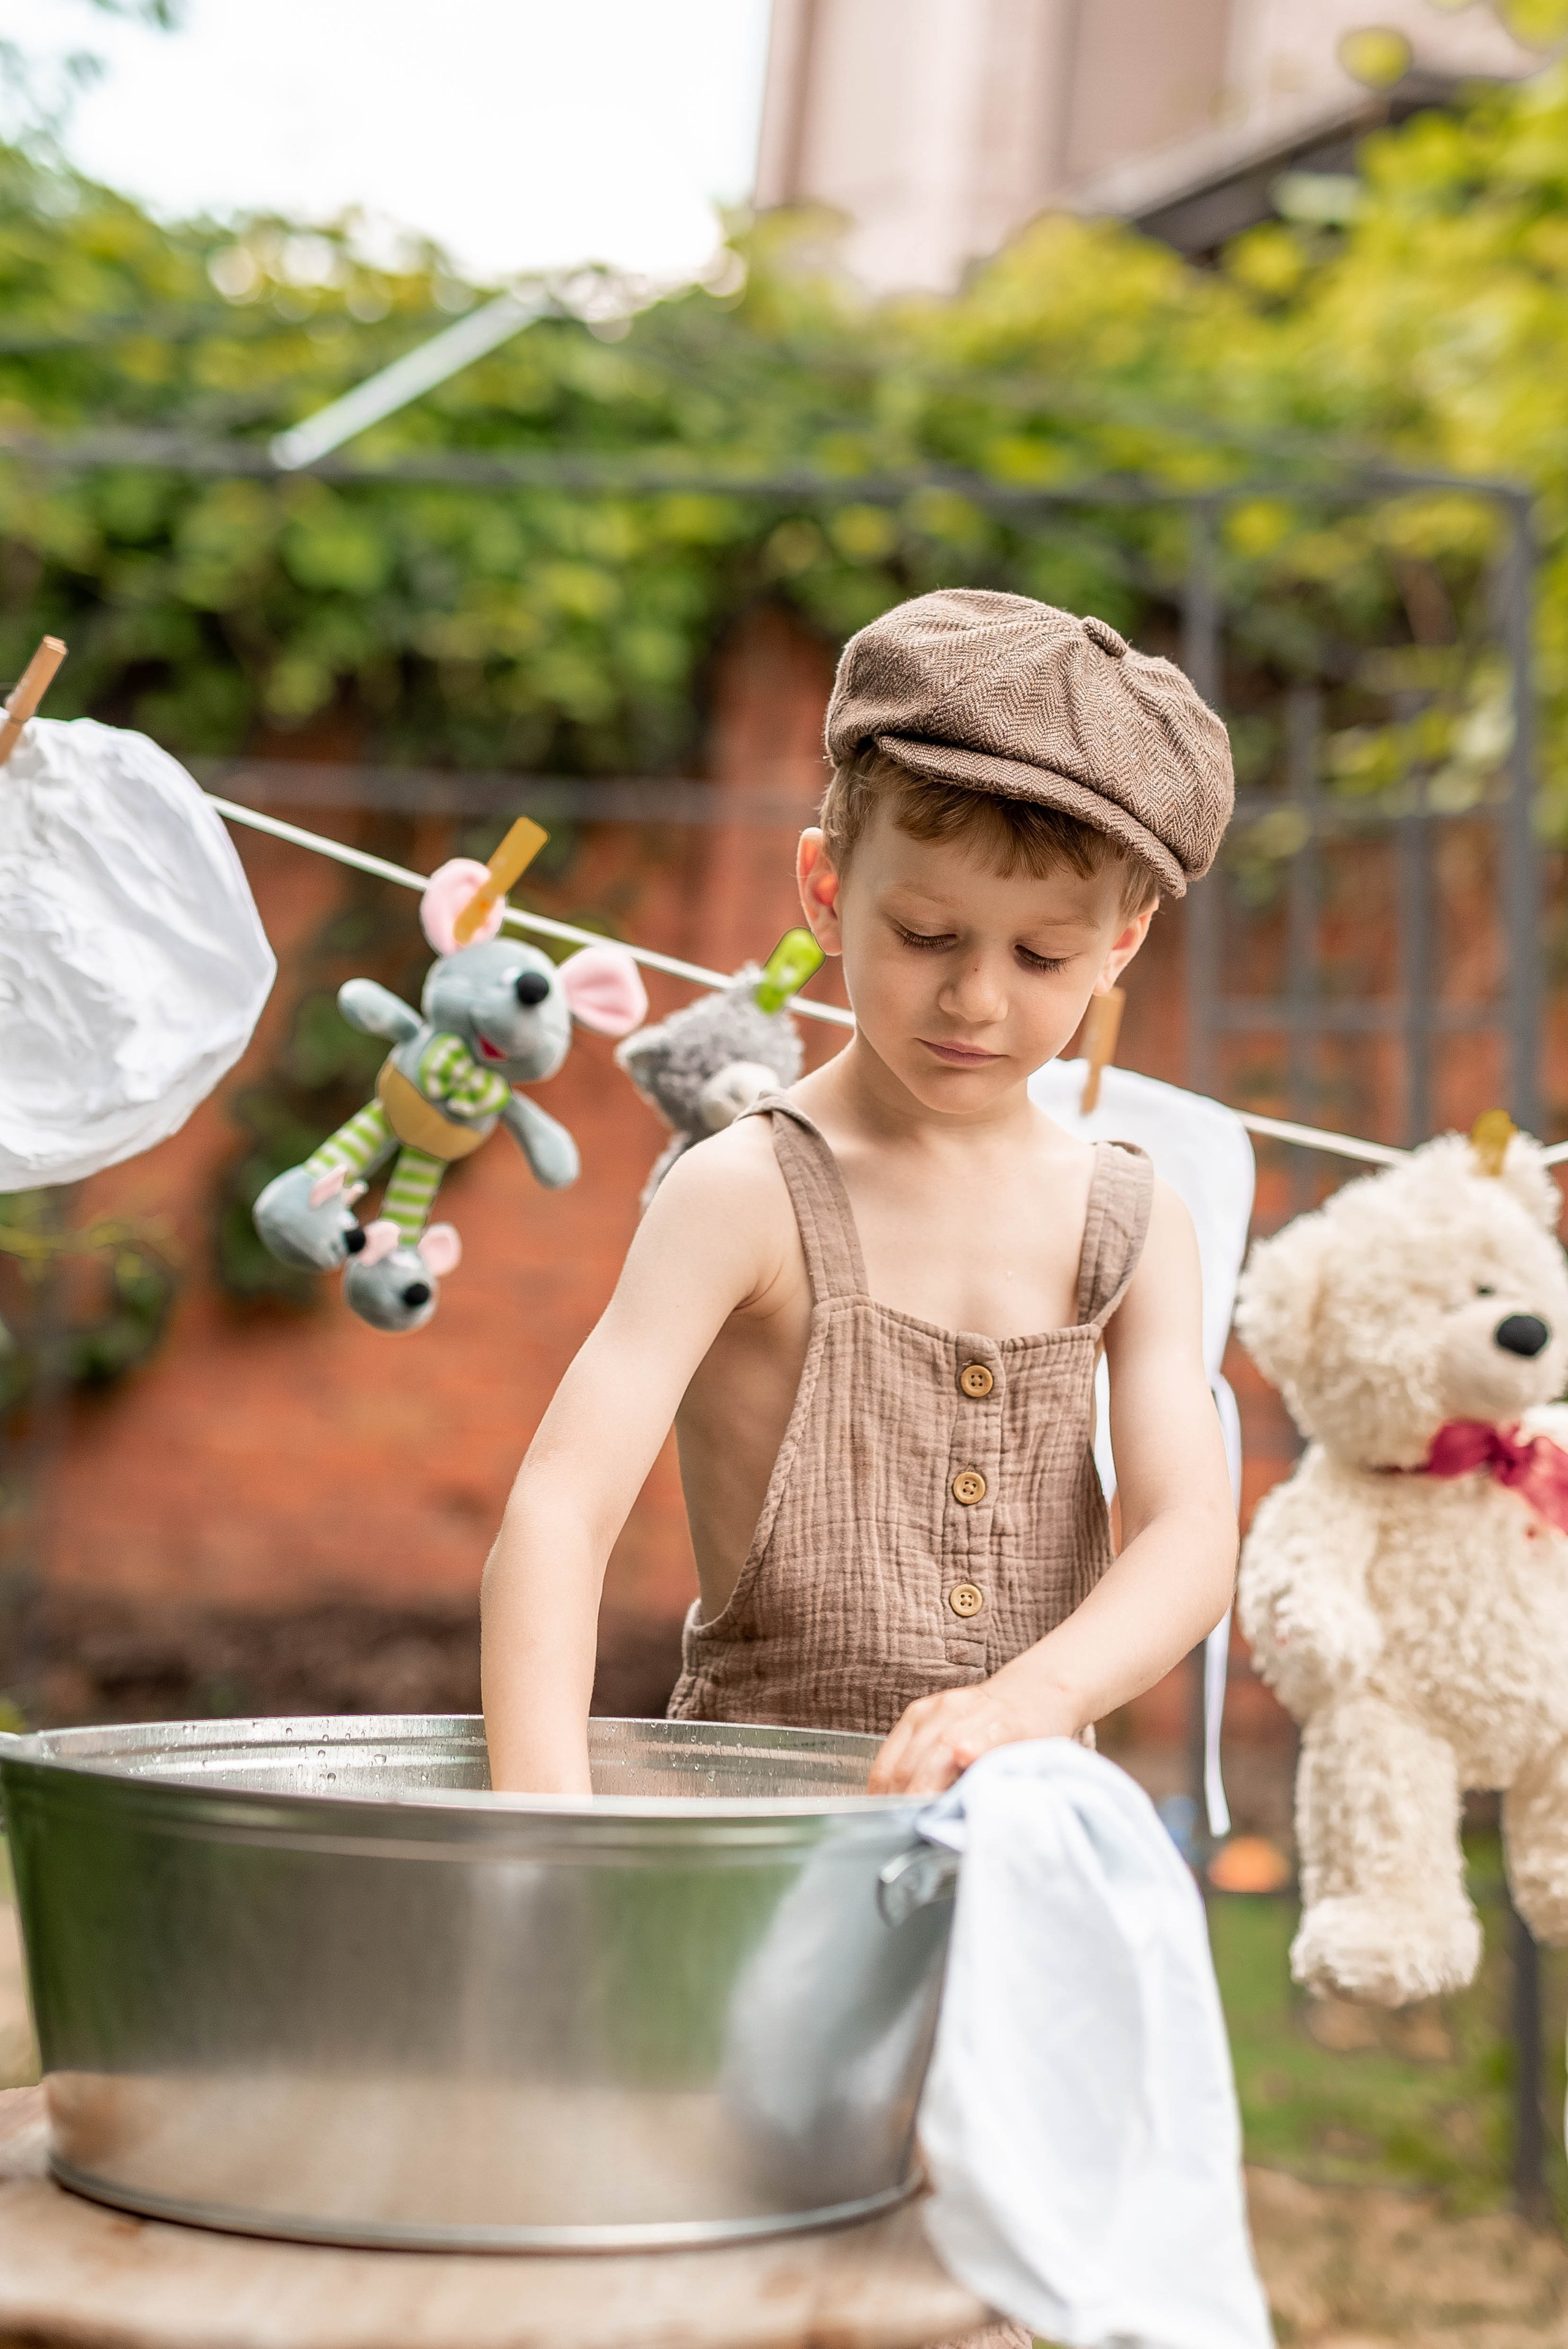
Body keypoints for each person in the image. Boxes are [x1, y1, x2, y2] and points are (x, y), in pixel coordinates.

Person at [483, 588, 1238, 1796]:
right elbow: (561, 1510)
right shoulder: (744, 1189)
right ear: (826, 894)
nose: (977, 1000)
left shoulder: (1134, 1223)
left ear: (1119, 949)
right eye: (928, 934)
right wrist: (538, 1825)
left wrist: (1025, 1705)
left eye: (1040, 956)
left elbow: (1186, 1534)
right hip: (754, 1840)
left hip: (1017, 1847)